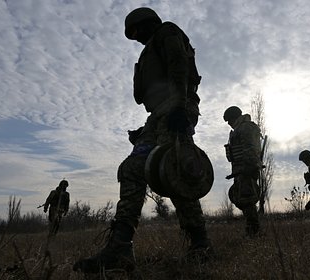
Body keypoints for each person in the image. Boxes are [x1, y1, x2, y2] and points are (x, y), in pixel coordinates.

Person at [73, 7, 210, 273]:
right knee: (132, 168)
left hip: (176, 108)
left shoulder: (167, 31)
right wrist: (146, 130)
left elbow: (178, 66)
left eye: (136, 32)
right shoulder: (148, 50)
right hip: (157, 116)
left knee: (177, 171)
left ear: (147, 23)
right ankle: (120, 248)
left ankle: (200, 244)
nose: (135, 38)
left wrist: (180, 106)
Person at [223, 106, 262, 236]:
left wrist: (248, 168)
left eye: (229, 120)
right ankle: (252, 228)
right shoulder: (239, 129)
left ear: (235, 117)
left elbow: (250, 148)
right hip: (240, 169)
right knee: (240, 197)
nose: (229, 124)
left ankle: (253, 231)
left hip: (246, 169)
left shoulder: (246, 127)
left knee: (246, 198)